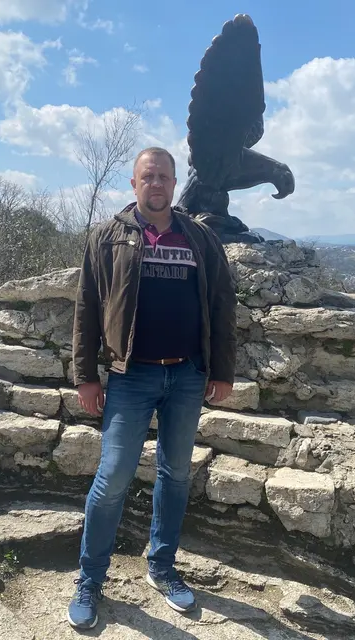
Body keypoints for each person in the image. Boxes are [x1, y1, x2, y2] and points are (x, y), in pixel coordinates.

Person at [67, 147, 237, 629]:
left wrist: (222, 371)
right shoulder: (107, 237)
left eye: (164, 176)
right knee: (113, 476)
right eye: (148, 176)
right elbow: (86, 307)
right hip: (130, 375)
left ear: (175, 182)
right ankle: (90, 579)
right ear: (134, 183)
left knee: (176, 474)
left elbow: (222, 304)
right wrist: (85, 375)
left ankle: (162, 567)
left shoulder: (199, 237)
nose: (156, 183)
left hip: (187, 375)